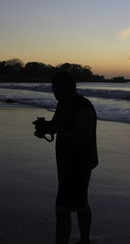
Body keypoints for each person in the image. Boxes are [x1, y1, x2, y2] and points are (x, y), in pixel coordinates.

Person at [35, 71, 98, 244]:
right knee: (80, 202)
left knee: (62, 209)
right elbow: (56, 126)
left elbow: (83, 140)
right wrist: (44, 128)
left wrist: (58, 129)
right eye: (54, 90)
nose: (56, 93)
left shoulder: (83, 107)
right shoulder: (63, 104)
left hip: (80, 163)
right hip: (66, 162)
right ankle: (85, 240)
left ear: (71, 88)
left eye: (59, 90)